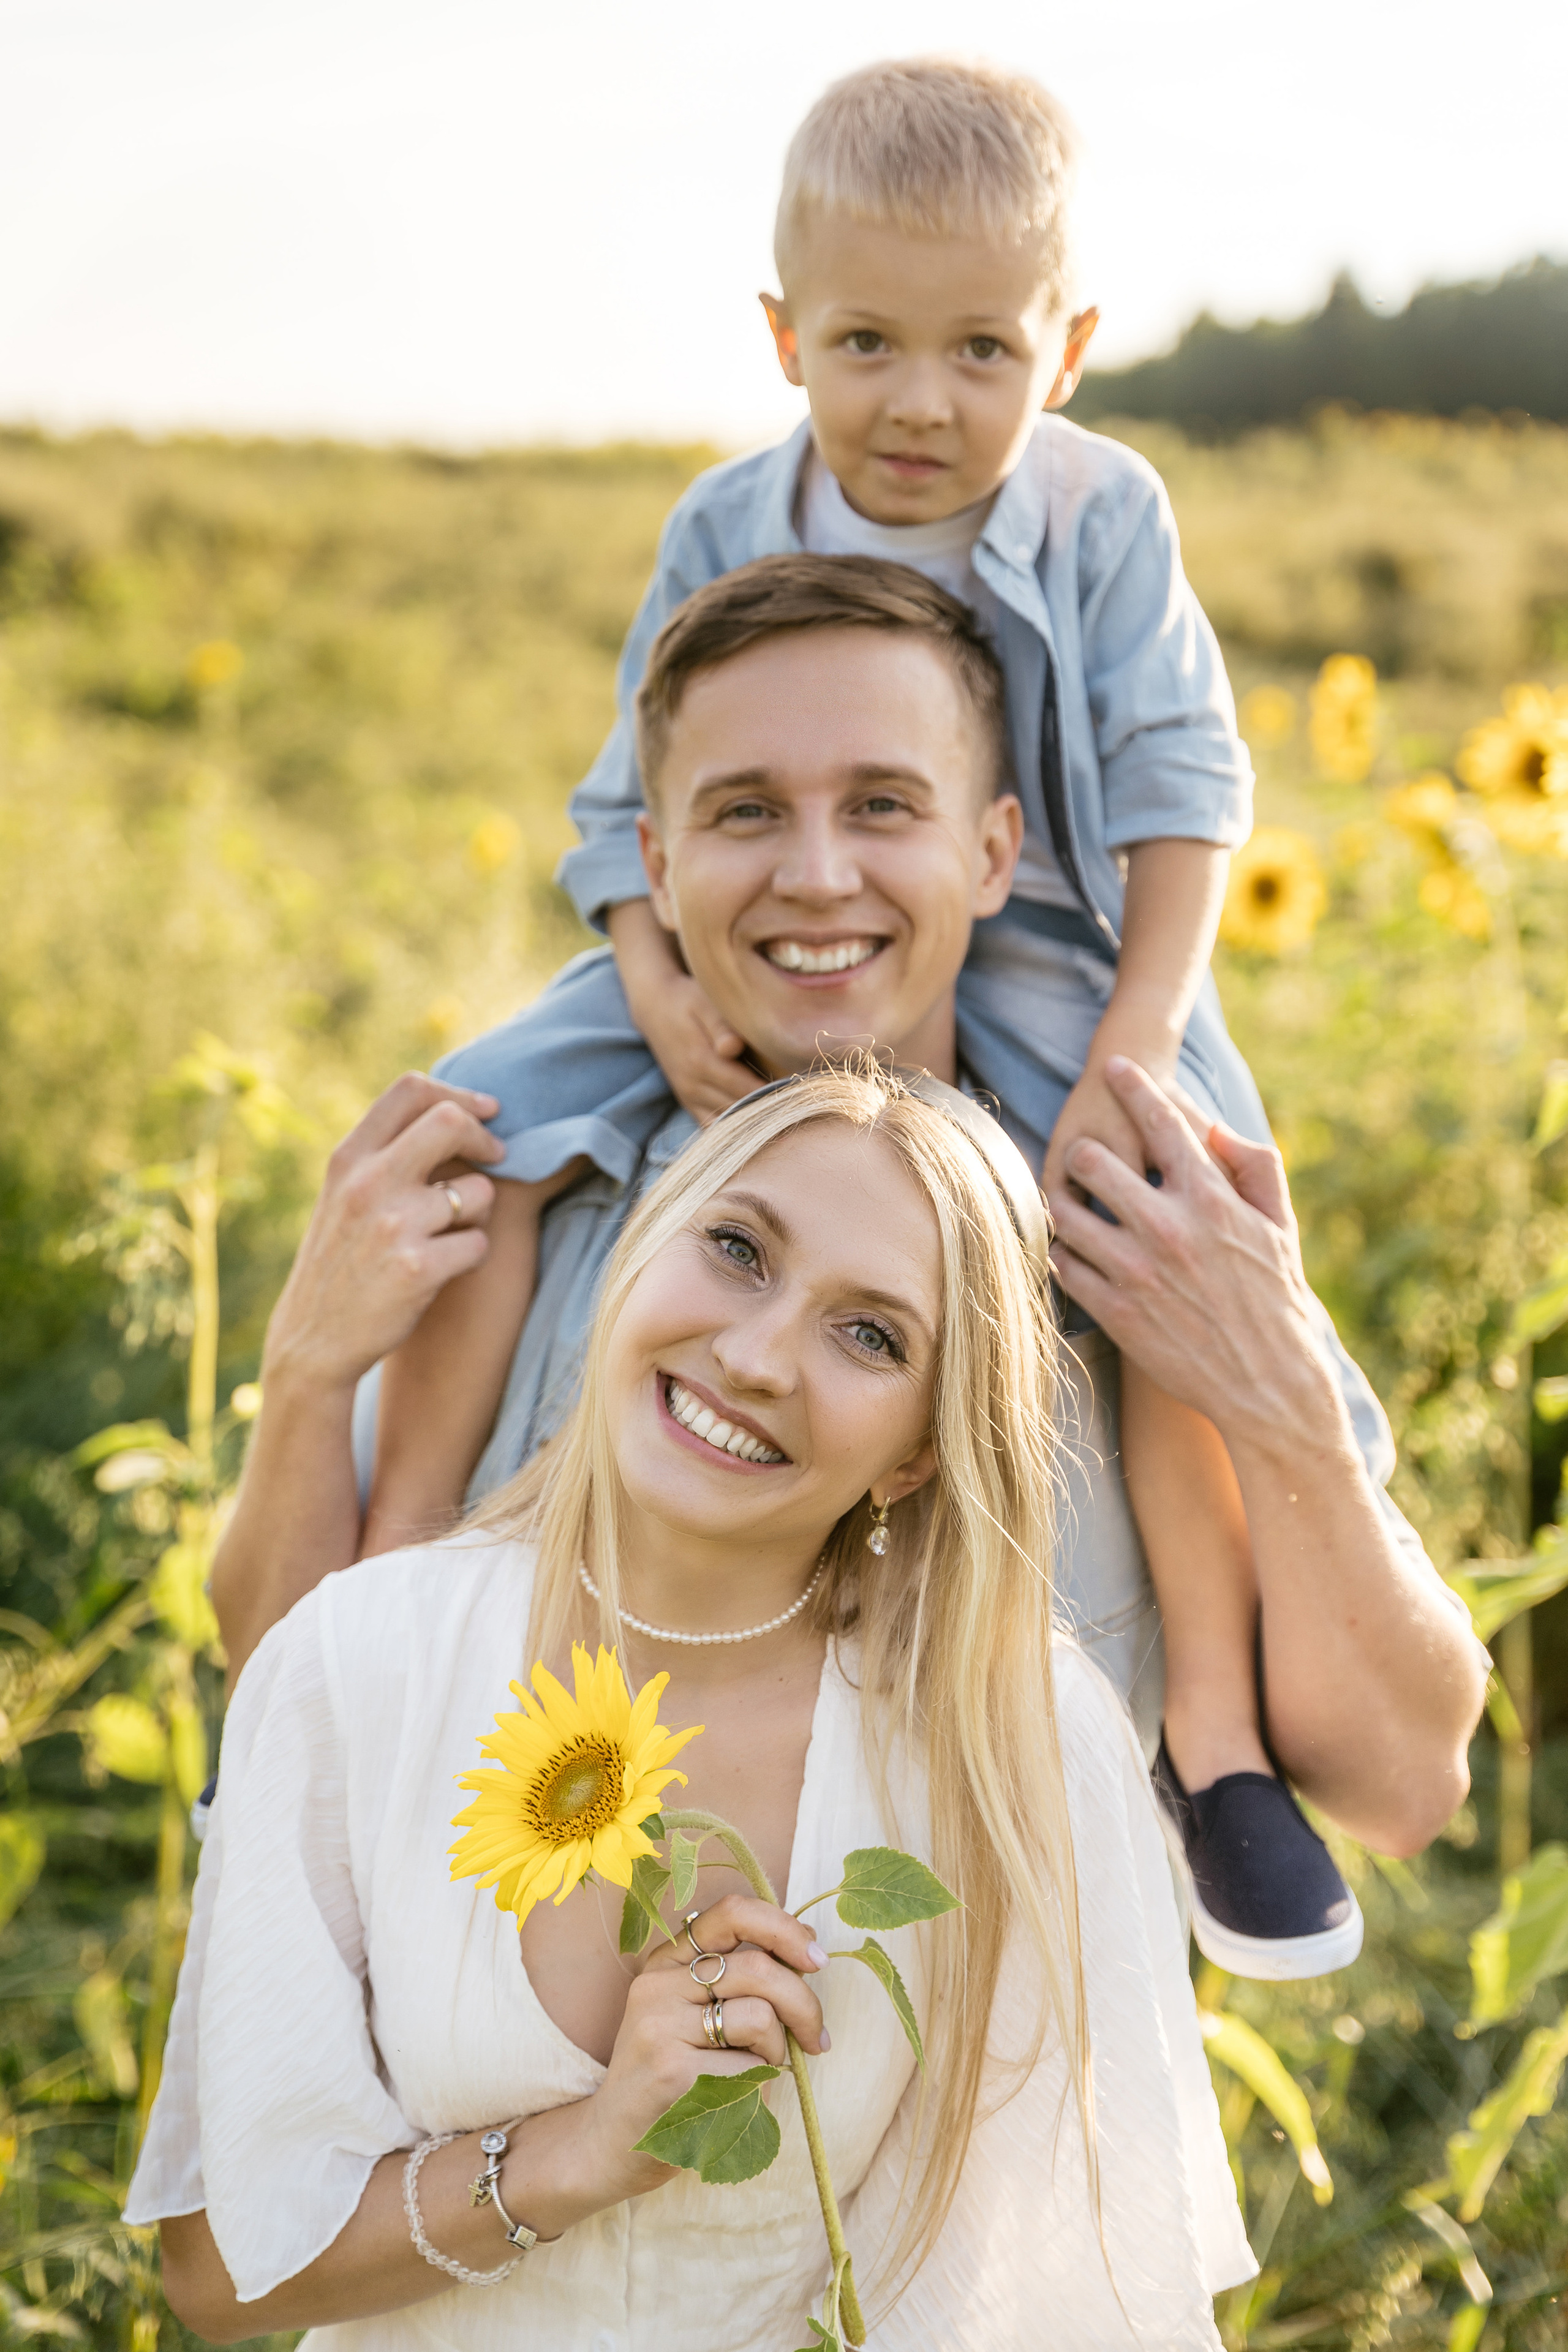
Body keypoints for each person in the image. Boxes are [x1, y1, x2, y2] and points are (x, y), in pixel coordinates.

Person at [349, 60, 1430, 1973]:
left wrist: (1132, 1047)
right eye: (865, 343)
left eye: (981, 351)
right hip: (693, 944)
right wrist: (660, 971)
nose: (921, 403)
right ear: (781, 335)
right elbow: (631, 799)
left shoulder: (1103, 517)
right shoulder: (719, 522)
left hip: (1059, 943)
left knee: (1148, 1229)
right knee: (484, 1118)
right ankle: (402, 1589)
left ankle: (1213, 1737)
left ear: (1069, 348)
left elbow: (1185, 797)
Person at [209, 561, 1487, 1977]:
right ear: (656, 866)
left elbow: (1400, 1785)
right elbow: (290, 1692)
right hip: (520, 2114)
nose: (816, 874)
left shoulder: (1140, 1241)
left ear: (995, 852)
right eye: (745, 810)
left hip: (977, 2134)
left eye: (882, 805)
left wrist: (1280, 1403)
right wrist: (309, 1370)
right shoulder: (524, 1202)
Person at [131, 1065, 1256, 2349]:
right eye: (735, 1249)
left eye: (869, 1335)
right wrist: (584, 2150)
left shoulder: (1010, 1742)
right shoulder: (357, 1658)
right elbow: (223, 2271)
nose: (756, 1355)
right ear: (642, 1240)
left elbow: (1064, 2310)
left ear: (916, 1453)